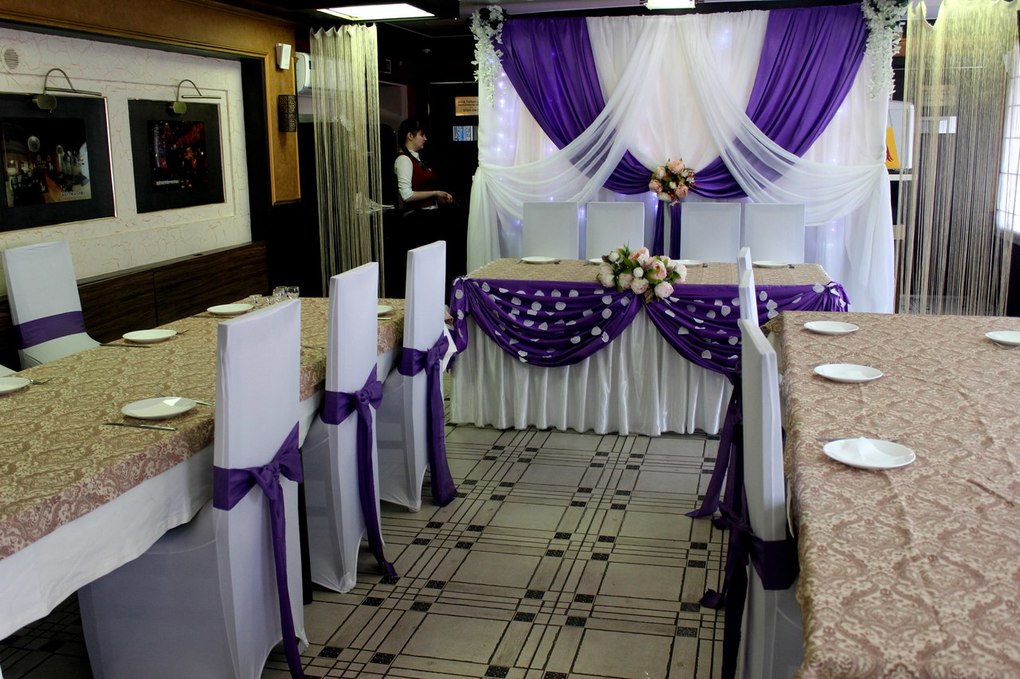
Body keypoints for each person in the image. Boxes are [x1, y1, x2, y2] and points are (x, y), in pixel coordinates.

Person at [390, 118, 466, 294]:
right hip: (418, 221)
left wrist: (439, 197)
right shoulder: (403, 160)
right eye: (421, 134)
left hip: (430, 218)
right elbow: (406, 195)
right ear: (410, 136)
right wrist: (435, 193)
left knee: (436, 265)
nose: (425, 138)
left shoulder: (417, 160)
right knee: (424, 267)